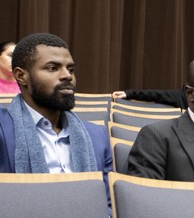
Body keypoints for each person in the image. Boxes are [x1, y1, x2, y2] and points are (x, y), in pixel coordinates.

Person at [0, 33, 112, 184]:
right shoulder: (3, 130)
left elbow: (107, 203)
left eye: (71, 69)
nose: (67, 76)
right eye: (53, 68)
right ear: (21, 76)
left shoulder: (96, 136)